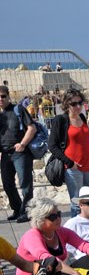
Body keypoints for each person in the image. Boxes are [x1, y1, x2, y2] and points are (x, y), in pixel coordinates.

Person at [47, 88, 89, 217]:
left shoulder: (83, 117)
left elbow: (84, 142)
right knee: (77, 203)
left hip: (88, 166)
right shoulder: (60, 120)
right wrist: (69, 162)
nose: (78, 106)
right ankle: (75, 234)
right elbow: (52, 145)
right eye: (74, 104)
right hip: (73, 168)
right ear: (66, 105)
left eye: (80, 102)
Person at [0, 84, 37, 223]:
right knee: (7, 184)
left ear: (8, 96)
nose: (1, 99)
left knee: (25, 183)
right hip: (5, 154)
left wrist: (22, 144)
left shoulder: (18, 109)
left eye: (3, 96)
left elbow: (31, 128)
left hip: (20, 152)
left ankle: (27, 211)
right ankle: (17, 209)